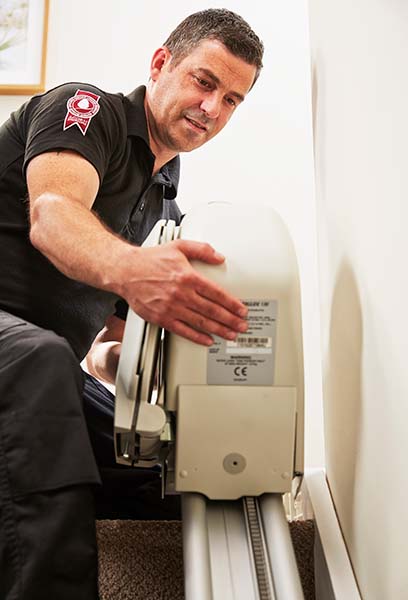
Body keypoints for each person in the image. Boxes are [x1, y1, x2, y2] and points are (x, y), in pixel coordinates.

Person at [0, 8, 264, 600]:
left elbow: (108, 345)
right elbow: (54, 216)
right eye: (204, 81)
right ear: (161, 63)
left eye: (232, 100)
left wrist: (157, 376)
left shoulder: (165, 200)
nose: (212, 109)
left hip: (39, 373)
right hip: (19, 356)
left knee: (162, 468)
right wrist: (138, 270)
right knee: (41, 362)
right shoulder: (86, 110)